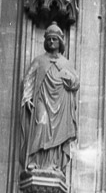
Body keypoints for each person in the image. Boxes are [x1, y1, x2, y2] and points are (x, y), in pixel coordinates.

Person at [19, 22, 80, 174]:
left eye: (55, 39)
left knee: (58, 133)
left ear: (60, 42)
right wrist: (27, 98)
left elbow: (75, 83)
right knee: (41, 122)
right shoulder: (39, 60)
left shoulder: (66, 63)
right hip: (42, 100)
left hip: (61, 103)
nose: (52, 42)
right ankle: (34, 160)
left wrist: (66, 75)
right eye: (49, 39)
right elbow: (29, 80)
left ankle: (54, 163)